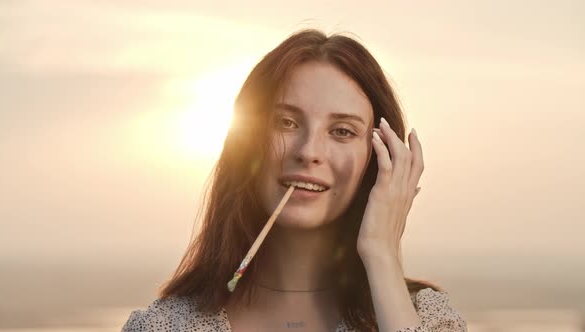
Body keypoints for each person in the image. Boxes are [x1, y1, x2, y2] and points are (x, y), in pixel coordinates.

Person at [122, 28, 467, 332]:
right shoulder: (163, 327)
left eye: (342, 131)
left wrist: (381, 255)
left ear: (380, 160)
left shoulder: (425, 320)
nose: (308, 151)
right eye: (287, 123)